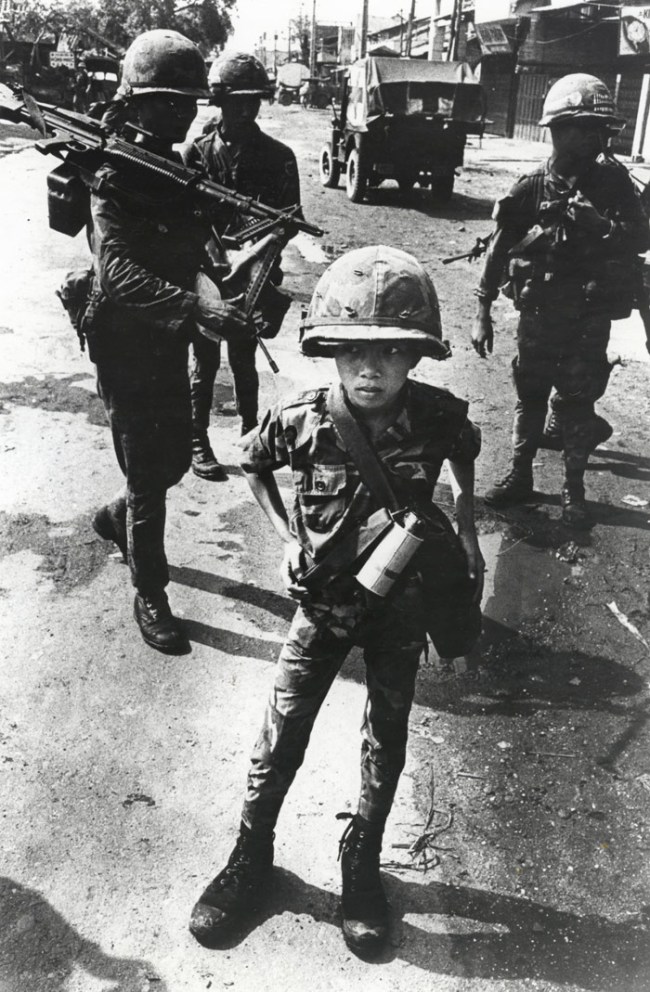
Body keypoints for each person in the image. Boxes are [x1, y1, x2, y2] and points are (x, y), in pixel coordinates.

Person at [189, 245, 484, 954]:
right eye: (352, 351)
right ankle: (249, 858)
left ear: (416, 359)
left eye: (390, 353)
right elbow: (252, 461)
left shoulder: (440, 416)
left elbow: (468, 452)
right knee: (280, 733)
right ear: (329, 353)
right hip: (321, 606)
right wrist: (287, 538)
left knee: (387, 738)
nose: (370, 369)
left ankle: (362, 866)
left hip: (401, 610)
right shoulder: (305, 418)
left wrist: (468, 527)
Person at [87, 30, 254, 654]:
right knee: (151, 476)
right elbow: (118, 273)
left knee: (174, 461)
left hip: (169, 336)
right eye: (168, 101)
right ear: (135, 102)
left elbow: (196, 242)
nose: (183, 113)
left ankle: (116, 515)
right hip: (124, 340)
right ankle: (150, 592)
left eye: (189, 101)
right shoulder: (112, 174)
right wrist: (200, 311)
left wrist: (220, 275)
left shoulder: (178, 166)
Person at [472, 73, 649, 529]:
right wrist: (482, 310)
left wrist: (602, 227)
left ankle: (574, 493)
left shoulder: (615, 184)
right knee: (529, 398)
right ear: (556, 130)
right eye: (586, 127)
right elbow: (499, 245)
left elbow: (641, 238)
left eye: (601, 128)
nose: (598, 137)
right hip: (539, 314)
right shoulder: (531, 187)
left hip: (589, 317)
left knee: (576, 402)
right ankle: (520, 477)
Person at [184, 51, 299, 481]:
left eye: (253, 100)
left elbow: (287, 222)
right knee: (205, 359)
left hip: (256, 271)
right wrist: (214, 258)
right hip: (208, 269)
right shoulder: (197, 153)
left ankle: (251, 437)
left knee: (244, 358)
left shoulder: (277, 155)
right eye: (237, 100)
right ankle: (199, 440)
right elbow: (186, 216)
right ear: (221, 101)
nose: (246, 109)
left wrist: (248, 257)